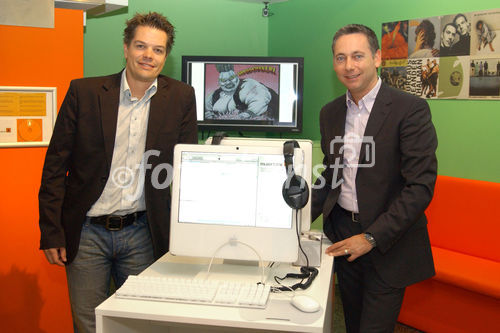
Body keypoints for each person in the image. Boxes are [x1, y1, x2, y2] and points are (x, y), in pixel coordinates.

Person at [38, 12, 198, 333]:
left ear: (166, 55)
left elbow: (186, 170)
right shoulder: (84, 93)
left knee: (141, 322)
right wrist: (52, 231)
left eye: (157, 49)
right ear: (126, 48)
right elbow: (55, 167)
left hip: (143, 232)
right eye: (141, 46)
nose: (148, 56)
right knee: (89, 323)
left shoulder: (181, 97)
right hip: (86, 234)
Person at [312, 24, 437, 333]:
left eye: (358, 56)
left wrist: (370, 238)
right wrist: (294, 219)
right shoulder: (329, 113)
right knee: (352, 322)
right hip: (343, 234)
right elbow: (331, 174)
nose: (349, 66)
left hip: (388, 242)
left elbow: (419, 187)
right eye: (340, 58)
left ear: (377, 58)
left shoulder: (410, 110)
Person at [205, 63, 278, 121]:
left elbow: (261, 100)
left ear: (236, 77)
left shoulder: (248, 85)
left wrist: (243, 116)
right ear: (219, 82)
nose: (228, 83)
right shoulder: (214, 96)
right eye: (224, 81)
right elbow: (205, 111)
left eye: (231, 78)